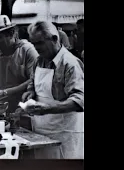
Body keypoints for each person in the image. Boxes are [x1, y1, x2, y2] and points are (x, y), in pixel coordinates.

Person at [22, 21, 84, 159]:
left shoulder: (70, 63)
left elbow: (79, 101)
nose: (36, 48)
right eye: (34, 43)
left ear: (55, 39)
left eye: (40, 43)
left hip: (64, 134)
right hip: (41, 131)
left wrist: (48, 108)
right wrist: (30, 92)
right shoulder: (39, 61)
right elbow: (32, 83)